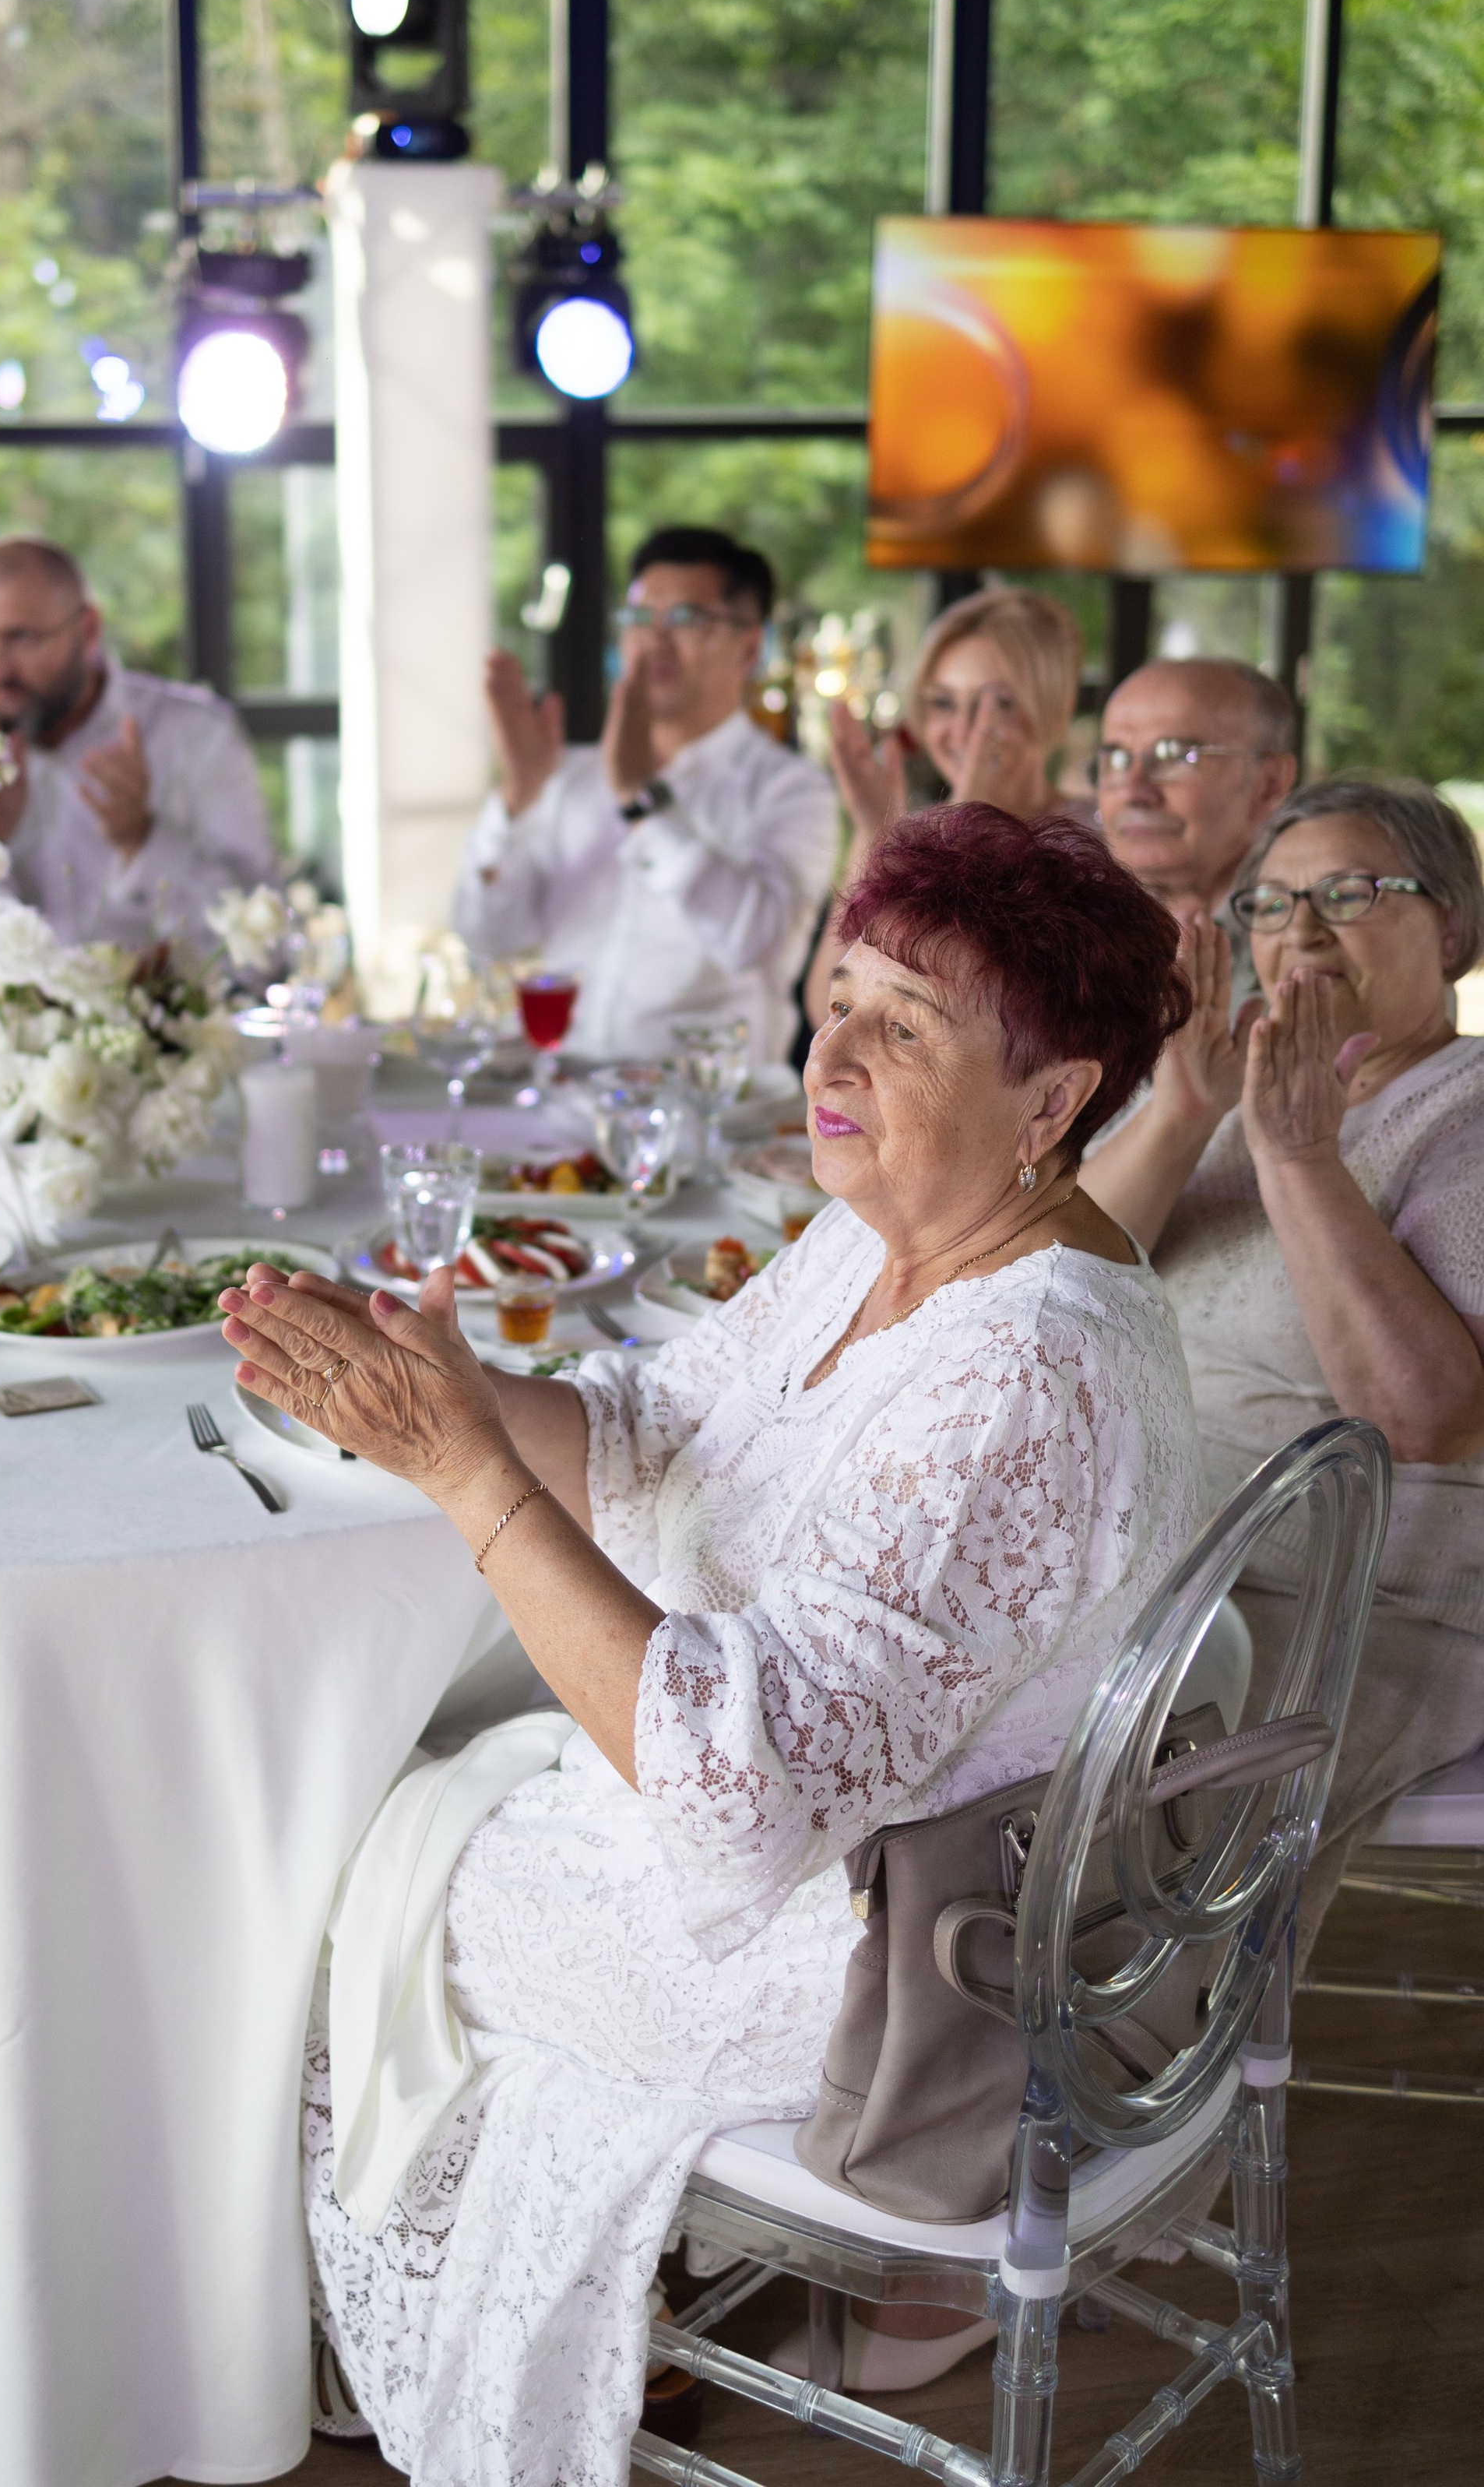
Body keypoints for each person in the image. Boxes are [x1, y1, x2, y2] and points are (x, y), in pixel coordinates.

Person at [223, 804, 1201, 2479]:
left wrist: (463, 1473)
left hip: (896, 1957)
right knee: (403, 1785)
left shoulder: (1022, 1369)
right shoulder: (878, 1231)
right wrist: (447, 1398)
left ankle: (350, 2352)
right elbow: (651, 1425)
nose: (833, 1052)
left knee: (327, 1870)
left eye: (906, 1029)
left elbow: (743, 1804)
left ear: (1052, 1102)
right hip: (854, 1853)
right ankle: (589, 2307)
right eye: (838, 997)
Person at [1081, 773, 1484, 1942]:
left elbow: (1426, 1418)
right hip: (1132, 1564)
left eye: (1349, 893)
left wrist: (1301, 1161)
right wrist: (1177, 1114)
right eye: (1270, 902)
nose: (1300, 932)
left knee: (1073, 1842)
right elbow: (1044, 1282)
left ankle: (1097, 2051)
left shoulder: (1460, 1113)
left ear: (1451, 928)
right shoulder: (1237, 1083)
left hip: (1336, 1604)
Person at [453, 528, 835, 1065]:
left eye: (685, 619)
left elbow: (756, 942)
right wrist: (516, 798)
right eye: (638, 618)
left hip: (709, 1101)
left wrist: (641, 802)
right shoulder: (570, 774)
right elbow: (488, 938)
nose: (654, 641)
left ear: (749, 647)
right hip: (561, 1089)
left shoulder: (790, 788)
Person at [0, 536, 273, 978]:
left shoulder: (198, 735)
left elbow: (267, 952)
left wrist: (143, 839)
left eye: (20, 638)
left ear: (88, 630)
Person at [804, 585, 1088, 1028]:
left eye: (998, 703)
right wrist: (873, 832)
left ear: (1058, 709)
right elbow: (828, 1008)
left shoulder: (1099, 837)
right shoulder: (916, 834)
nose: (963, 730)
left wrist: (968, 828)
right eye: (943, 702)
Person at [1093, 655, 1299, 935]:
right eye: (1117, 759)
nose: (1132, 792)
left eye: (1175, 756)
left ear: (1269, 785)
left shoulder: (1305, 936)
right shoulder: (1075, 933)